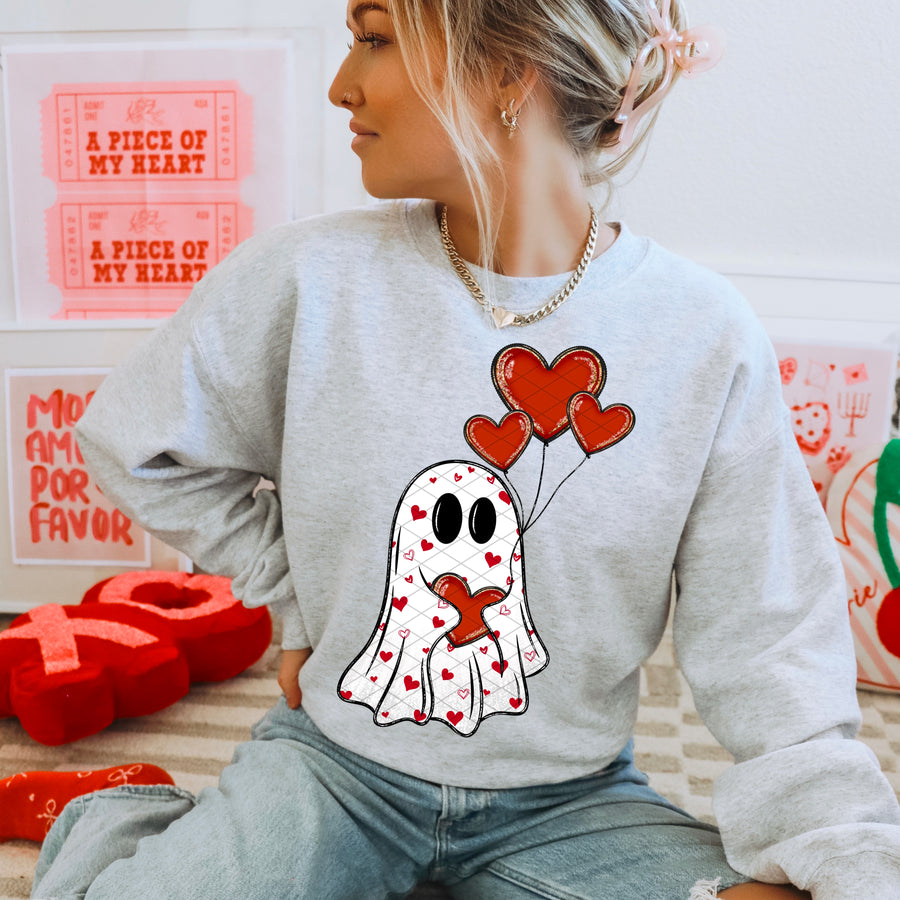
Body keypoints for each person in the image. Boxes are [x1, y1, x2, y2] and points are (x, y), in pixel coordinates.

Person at [9, 0, 900, 897]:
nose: (341, 86)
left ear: (510, 70)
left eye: (374, 39)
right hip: (335, 771)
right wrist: (296, 594)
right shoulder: (308, 280)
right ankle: (121, 818)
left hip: (572, 804)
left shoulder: (704, 336)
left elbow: (772, 632)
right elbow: (134, 442)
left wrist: (839, 851)